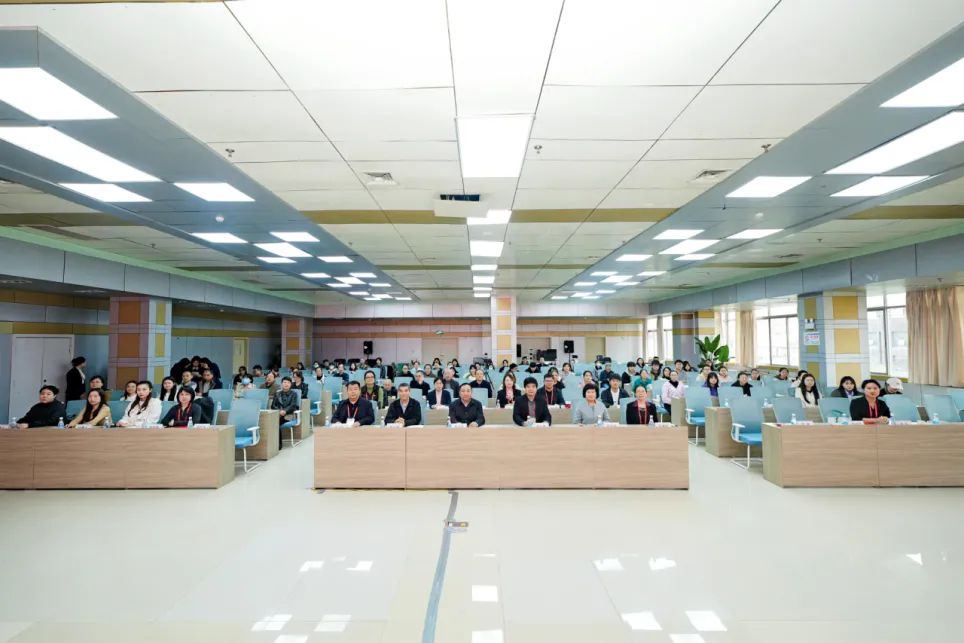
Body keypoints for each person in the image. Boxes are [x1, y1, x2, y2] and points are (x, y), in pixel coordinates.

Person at [271, 377, 300, 448]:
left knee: (275, 422)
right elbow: (273, 405)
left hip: (289, 415)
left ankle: (278, 444)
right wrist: (279, 411)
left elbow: (293, 405)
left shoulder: (294, 394)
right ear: (281, 384)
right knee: (272, 421)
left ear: (290, 384)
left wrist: (285, 411)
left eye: (288, 383)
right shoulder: (277, 394)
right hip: (278, 414)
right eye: (284, 382)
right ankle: (274, 443)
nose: (286, 384)